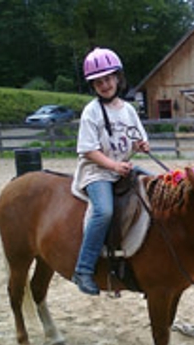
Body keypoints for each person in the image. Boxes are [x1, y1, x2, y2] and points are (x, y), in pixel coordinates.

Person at [71, 47, 150, 296]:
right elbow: (88, 150)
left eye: (108, 78)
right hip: (97, 172)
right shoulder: (91, 112)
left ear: (117, 77)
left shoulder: (128, 110)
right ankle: (83, 269)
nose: (104, 84)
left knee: (156, 185)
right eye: (98, 81)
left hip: (122, 168)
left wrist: (142, 146)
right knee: (104, 211)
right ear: (93, 85)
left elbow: (137, 140)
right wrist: (114, 165)